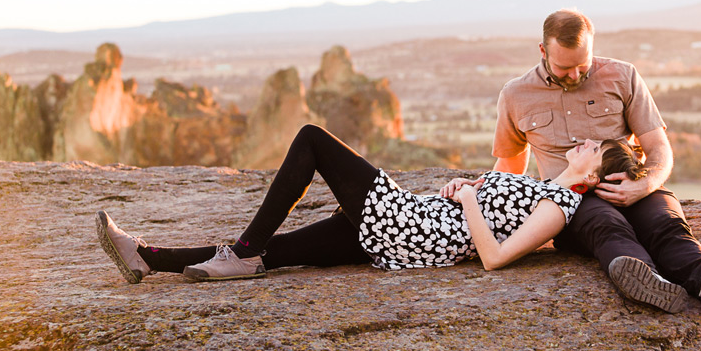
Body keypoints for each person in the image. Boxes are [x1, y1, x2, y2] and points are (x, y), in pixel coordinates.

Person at [96, 123, 646, 283]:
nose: (582, 142)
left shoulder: (561, 207)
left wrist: (473, 198)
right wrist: (464, 192)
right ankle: (149, 257)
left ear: (594, 175)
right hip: (406, 227)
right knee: (281, 253)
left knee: (312, 139)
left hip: (406, 226)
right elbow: (484, 210)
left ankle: (241, 250)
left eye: (593, 148)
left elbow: (496, 258)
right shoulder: (546, 189)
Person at [493, 9, 701, 319]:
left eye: (583, 64)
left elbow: (658, 147)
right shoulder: (516, 94)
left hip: (634, 180)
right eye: (565, 67)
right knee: (606, 226)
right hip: (572, 200)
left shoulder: (622, 75)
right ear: (543, 51)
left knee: (666, 225)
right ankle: (652, 283)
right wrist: (479, 197)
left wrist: (645, 183)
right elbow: (511, 168)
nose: (575, 74)